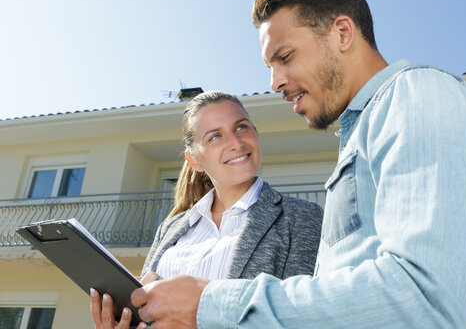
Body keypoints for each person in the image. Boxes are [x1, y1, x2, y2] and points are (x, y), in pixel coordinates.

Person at [130, 0, 466, 327]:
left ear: (342, 33)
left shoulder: (419, 97)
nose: (275, 81)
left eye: (285, 57)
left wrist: (211, 304)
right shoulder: (362, 135)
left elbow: (427, 299)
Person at [90, 91, 323, 328]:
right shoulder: (169, 229)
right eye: (215, 137)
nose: (236, 143)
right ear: (194, 161)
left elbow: (305, 315)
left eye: (241, 127)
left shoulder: (302, 218)